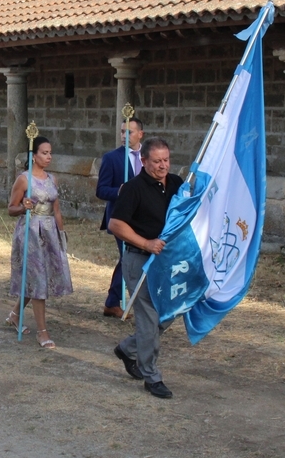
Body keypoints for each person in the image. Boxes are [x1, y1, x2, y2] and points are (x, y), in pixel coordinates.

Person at [109, 137, 183, 399]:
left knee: (171, 311)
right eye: (157, 161)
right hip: (138, 260)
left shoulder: (175, 183)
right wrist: (146, 243)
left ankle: (128, 348)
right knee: (149, 316)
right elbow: (115, 225)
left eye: (166, 160)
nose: (162, 166)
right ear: (144, 160)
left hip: (166, 262)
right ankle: (151, 376)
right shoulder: (133, 188)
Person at [5, 137, 73, 348]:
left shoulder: (53, 179)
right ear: (33, 156)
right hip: (31, 232)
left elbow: (57, 210)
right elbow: (11, 208)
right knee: (37, 278)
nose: (49, 156)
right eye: (44, 152)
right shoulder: (24, 180)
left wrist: (61, 235)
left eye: (50, 152)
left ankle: (14, 315)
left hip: (50, 231)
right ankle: (42, 332)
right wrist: (24, 206)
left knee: (38, 278)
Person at [96, 117, 145, 319]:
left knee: (132, 258)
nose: (125, 136)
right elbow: (101, 190)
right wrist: (120, 191)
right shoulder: (112, 158)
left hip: (144, 217)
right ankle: (113, 302)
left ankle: (114, 301)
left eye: (130, 132)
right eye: (122, 132)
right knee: (128, 257)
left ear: (140, 133)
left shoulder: (148, 156)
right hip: (120, 218)